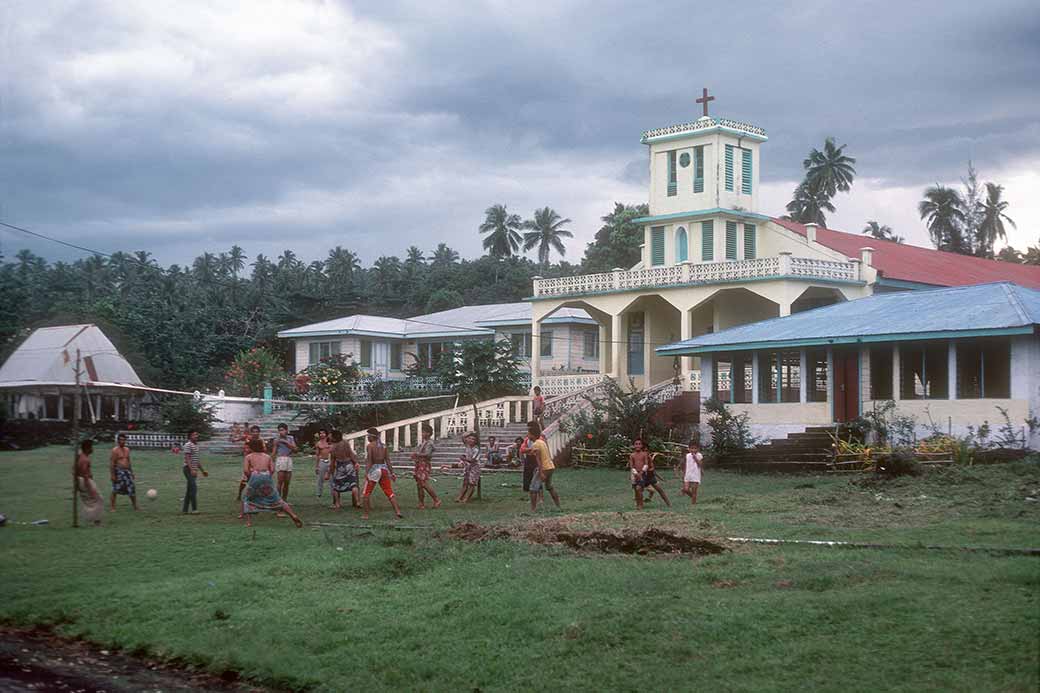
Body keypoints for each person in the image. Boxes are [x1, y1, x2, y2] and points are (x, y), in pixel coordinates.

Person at [242, 438, 303, 527]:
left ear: (251, 447)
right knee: (277, 498)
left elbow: (246, 470)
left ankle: (248, 522)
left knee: (247, 498)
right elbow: (272, 469)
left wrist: (251, 477)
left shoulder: (249, 457)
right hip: (266, 475)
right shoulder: (267, 456)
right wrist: (266, 477)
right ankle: (293, 515)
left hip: (255, 475)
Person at [362, 428, 403, 520]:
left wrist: (366, 472)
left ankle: (366, 514)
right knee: (389, 492)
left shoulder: (370, 446)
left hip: (374, 470)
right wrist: (392, 473)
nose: (367, 438)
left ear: (372, 437)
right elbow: (387, 460)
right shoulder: (384, 446)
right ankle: (398, 511)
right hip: (384, 470)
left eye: (368, 436)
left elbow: (369, 460)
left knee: (366, 493)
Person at [526, 421, 560, 512]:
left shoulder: (535, 444)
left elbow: (538, 460)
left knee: (533, 489)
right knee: (549, 487)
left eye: (528, 434)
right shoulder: (541, 442)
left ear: (532, 435)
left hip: (544, 468)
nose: (527, 436)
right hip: (551, 467)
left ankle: (533, 510)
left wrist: (541, 472)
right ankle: (558, 506)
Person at [628, 438, 670, 509]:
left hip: (648, 475)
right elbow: (632, 466)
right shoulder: (632, 455)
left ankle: (668, 503)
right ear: (634, 446)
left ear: (642, 446)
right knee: (638, 489)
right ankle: (640, 505)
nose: (638, 445)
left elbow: (648, 465)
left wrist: (642, 472)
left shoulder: (646, 455)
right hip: (639, 475)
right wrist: (636, 474)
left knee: (659, 489)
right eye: (636, 444)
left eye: (639, 444)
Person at [328, 430, 360, 510]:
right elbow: (351, 454)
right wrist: (356, 463)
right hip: (349, 464)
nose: (329, 436)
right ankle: (357, 501)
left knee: (336, 486)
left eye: (330, 435)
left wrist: (329, 473)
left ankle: (337, 503)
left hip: (340, 466)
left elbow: (332, 461)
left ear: (334, 437)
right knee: (353, 483)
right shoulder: (345, 443)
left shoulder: (332, 447)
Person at [411, 424, 441, 509]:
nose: (422, 434)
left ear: (428, 433)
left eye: (423, 432)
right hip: (419, 464)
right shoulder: (424, 442)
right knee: (419, 484)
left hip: (424, 464)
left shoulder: (429, 443)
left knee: (423, 483)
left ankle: (436, 499)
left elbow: (427, 454)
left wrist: (417, 454)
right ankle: (421, 503)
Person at [270, 423, 297, 512]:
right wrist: (271, 462)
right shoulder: (276, 440)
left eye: (283, 430)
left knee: (287, 482)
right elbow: (274, 452)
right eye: (280, 430)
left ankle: (284, 500)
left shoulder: (290, 438)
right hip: (281, 459)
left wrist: (285, 442)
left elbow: (295, 449)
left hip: (288, 459)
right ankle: (278, 501)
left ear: (286, 430)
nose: (282, 432)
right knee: (280, 482)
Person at [76, 440, 104, 526]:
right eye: (91, 447)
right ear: (88, 448)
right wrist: (90, 487)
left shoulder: (81, 456)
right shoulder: (84, 459)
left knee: (90, 500)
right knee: (98, 499)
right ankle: (96, 521)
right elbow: (84, 474)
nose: (93, 449)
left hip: (82, 480)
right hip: (85, 480)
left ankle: (92, 519)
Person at [109, 434, 138, 511]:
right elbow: (112, 463)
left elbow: (128, 461)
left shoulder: (127, 449)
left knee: (131, 488)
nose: (122, 441)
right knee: (115, 490)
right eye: (121, 440)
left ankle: (135, 506)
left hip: (127, 471)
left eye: (124, 440)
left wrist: (131, 472)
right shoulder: (115, 450)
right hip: (118, 471)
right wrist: (113, 475)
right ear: (118, 441)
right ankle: (112, 507)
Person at [182, 429, 208, 514]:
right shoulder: (188, 445)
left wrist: (202, 470)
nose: (196, 436)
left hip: (194, 470)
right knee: (193, 488)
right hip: (188, 469)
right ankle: (194, 509)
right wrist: (191, 469)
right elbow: (187, 458)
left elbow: (196, 460)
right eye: (194, 435)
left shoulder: (196, 446)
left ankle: (185, 510)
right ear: (190, 436)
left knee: (189, 489)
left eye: (197, 434)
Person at [455, 431, 481, 503]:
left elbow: (473, 460)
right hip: (467, 467)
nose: (470, 440)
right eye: (469, 438)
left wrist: (464, 459)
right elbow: (463, 437)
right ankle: (460, 497)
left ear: (475, 441)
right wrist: (470, 432)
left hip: (474, 467)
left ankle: (466, 498)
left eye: (473, 439)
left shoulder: (476, 450)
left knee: (472, 483)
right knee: (465, 482)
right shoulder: (467, 446)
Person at [681, 440, 703, 505]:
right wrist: (684, 473)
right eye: (691, 448)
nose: (693, 450)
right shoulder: (687, 455)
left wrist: (695, 458)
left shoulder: (699, 455)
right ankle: (693, 498)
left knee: (694, 491)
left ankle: (693, 504)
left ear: (698, 449)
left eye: (695, 448)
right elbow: (686, 465)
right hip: (688, 474)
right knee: (686, 489)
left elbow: (700, 464)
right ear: (689, 448)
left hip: (695, 475)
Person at [314, 429, 332, 498]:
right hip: (322, 461)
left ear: (326, 434)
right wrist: (317, 466)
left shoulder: (330, 442)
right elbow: (317, 455)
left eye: (323, 433)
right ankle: (319, 493)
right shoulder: (318, 443)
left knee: (331, 478)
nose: (322, 434)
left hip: (330, 460)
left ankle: (332, 492)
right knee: (320, 478)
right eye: (320, 433)